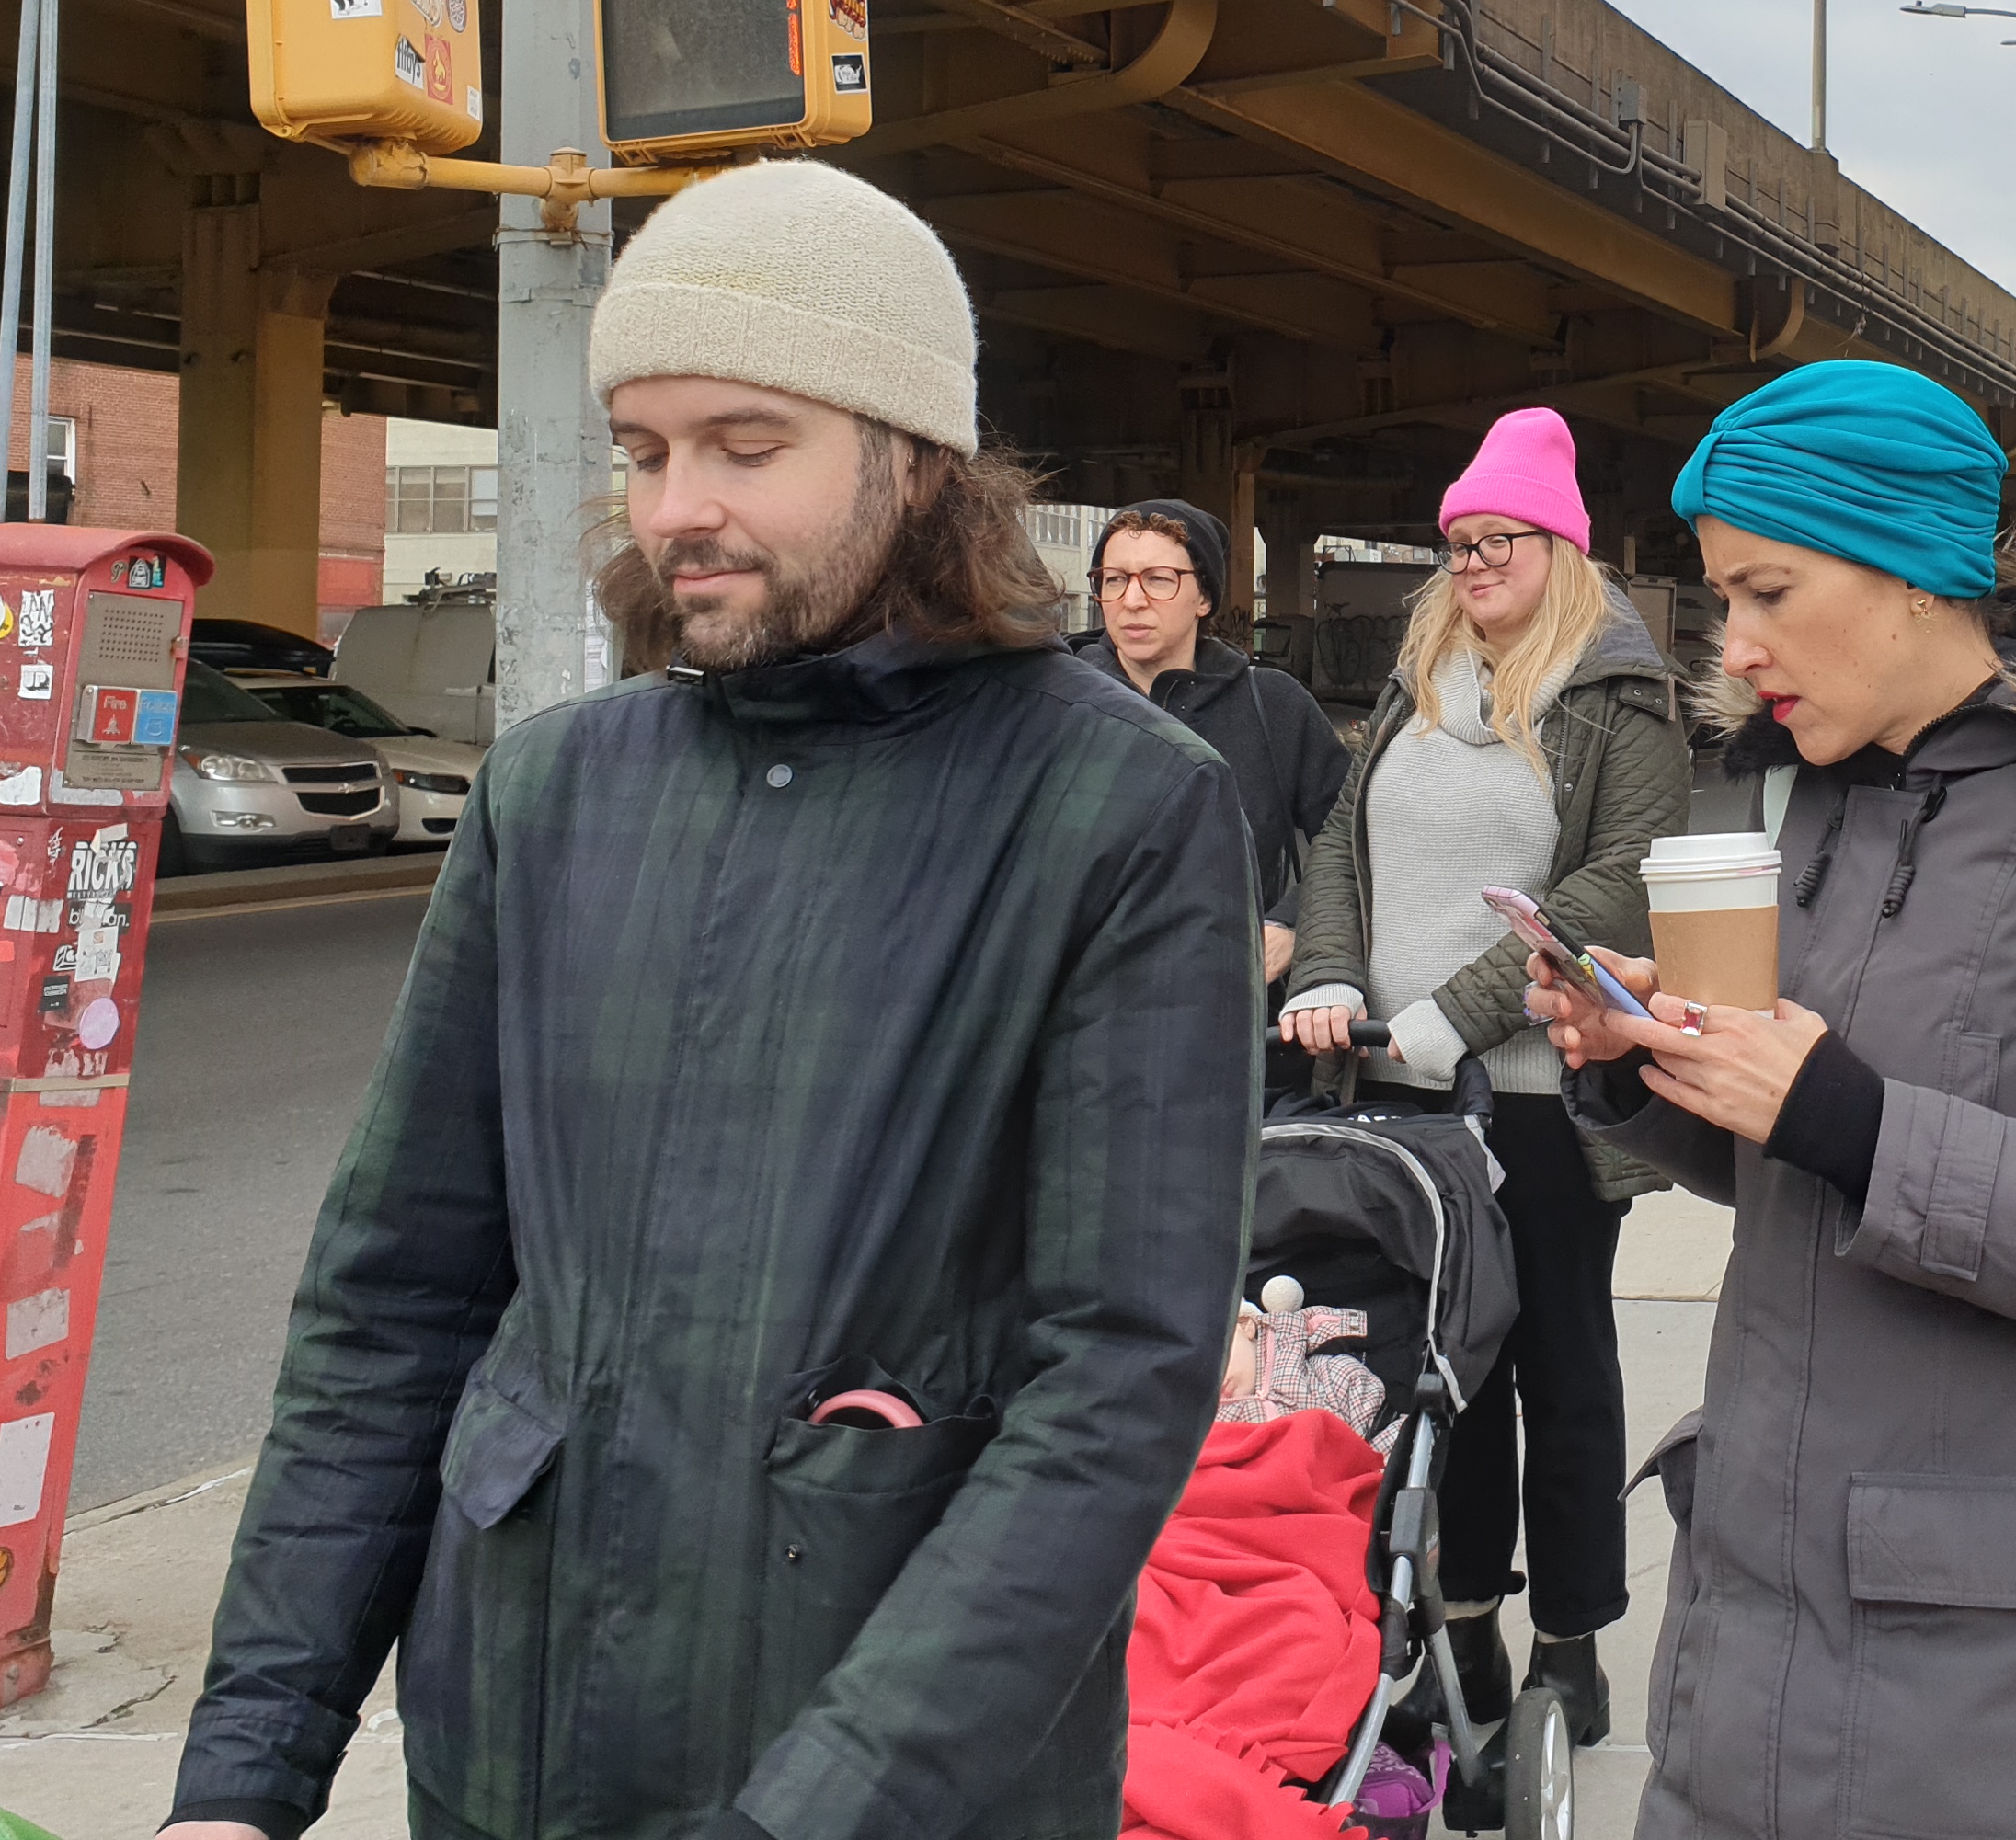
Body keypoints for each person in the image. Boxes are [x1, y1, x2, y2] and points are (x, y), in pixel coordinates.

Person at [160, 161, 1263, 1840]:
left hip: (892, 1772)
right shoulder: (552, 792)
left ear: (914, 459)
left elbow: (1115, 1381)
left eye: (748, 446)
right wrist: (246, 1767)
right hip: (508, 1750)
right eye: (646, 448)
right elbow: (393, 1306)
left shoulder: (1121, 807)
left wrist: (811, 1811)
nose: (678, 503)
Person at [1531, 361, 2016, 1840]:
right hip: (1750, 1605)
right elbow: (1789, 1153)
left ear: (1909, 574)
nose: (1734, 647)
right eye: (1720, 602)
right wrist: (1652, 1068)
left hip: (2001, 1682)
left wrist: (1849, 1117)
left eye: (1767, 592)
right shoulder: (1787, 802)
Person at [1277, 407, 1685, 1757]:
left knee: (1559, 1364)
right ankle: (1459, 1629)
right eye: (1453, 543)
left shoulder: (1619, 696)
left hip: (1540, 1092)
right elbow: (1337, 842)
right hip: (1398, 1086)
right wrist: (1328, 978)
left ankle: (1570, 1646)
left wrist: (1462, 1011)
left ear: (1557, 546)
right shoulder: (1418, 680)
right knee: (1443, 1372)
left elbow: (1617, 878)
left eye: (1495, 539)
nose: (1469, 563)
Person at [1076, 498, 1350, 988]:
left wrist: (1294, 921)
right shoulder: (1063, 703)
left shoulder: (1273, 706)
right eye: (1114, 580)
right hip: (1089, 1008)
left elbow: (1350, 837)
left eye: (1159, 579)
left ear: (1204, 597)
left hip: (1232, 1002)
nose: (1132, 600)